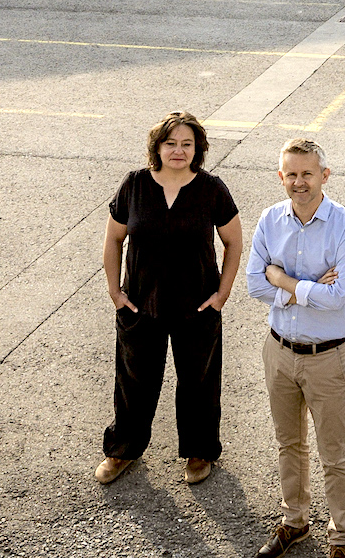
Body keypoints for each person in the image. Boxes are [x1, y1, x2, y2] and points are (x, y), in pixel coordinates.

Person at [97, 112, 243, 485]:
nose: (178, 151)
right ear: (157, 147)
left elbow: (233, 242)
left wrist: (221, 294)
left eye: (187, 144)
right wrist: (116, 292)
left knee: (198, 381)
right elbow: (114, 240)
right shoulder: (135, 185)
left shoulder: (212, 189)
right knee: (134, 380)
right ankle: (123, 450)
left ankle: (199, 451)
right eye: (170, 143)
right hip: (141, 304)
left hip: (197, 306)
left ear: (198, 149)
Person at [246, 139, 345, 558]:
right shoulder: (270, 221)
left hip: (326, 357)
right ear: (282, 177)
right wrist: (305, 286)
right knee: (288, 443)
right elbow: (255, 285)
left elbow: (336, 299)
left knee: (334, 453)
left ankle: (341, 540)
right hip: (278, 350)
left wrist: (284, 279)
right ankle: (294, 521)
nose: (299, 182)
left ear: (324, 176)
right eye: (291, 174)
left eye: (307, 174)